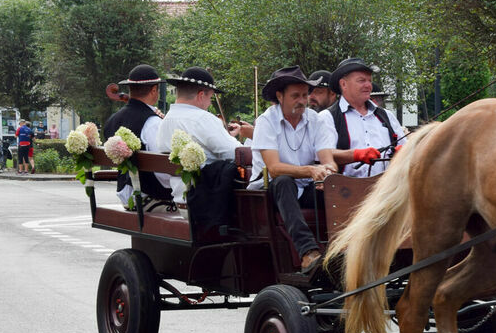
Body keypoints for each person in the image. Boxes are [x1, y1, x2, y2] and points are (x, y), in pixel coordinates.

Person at [249, 66, 341, 273]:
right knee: (284, 182)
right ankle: (308, 252)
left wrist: (327, 173)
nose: (302, 100)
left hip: (304, 186)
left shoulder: (315, 119)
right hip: (267, 192)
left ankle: (343, 249)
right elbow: (274, 169)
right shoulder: (266, 121)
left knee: (333, 189)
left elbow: (329, 161)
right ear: (280, 96)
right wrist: (311, 171)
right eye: (295, 96)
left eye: (305, 95)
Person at [155, 67, 252, 205]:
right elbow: (236, 154)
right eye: (210, 98)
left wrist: (225, 135)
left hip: (178, 197)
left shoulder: (165, 121)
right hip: (207, 199)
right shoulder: (202, 118)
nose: (210, 103)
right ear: (201, 95)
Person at [103, 64, 173, 206]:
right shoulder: (152, 122)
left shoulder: (112, 120)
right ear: (154, 90)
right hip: (150, 198)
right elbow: (164, 173)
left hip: (125, 193)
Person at [323, 58, 406, 177]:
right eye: (361, 80)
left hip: (385, 189)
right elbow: (323, 154)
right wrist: (356, 155)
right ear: (343, 84)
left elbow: (405, 146)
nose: (368, 85)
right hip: (345, 191)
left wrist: (402, 152)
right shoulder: (327, 117)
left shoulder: (387, 116)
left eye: (369, 81)